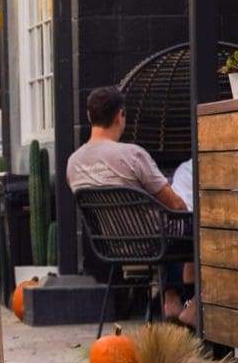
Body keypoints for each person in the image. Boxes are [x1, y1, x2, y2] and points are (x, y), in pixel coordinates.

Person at [67, 86, 195, 326]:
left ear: (88, 116)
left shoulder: (73, 163)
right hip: (153, 239)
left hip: (111, 244)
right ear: (120, 116)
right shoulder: (132, 154)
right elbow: (176, 204)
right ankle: (196, 304)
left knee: (170, 228)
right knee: (205, 227)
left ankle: (171, 298)